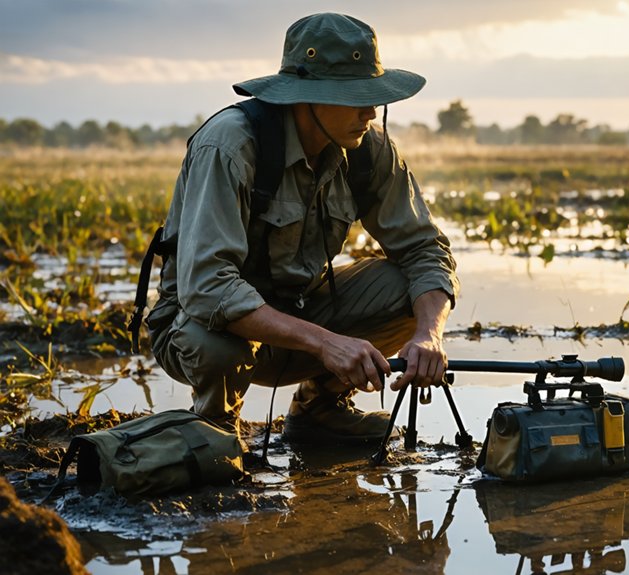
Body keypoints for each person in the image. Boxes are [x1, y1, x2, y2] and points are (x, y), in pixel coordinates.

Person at [145, 13, 459, 443]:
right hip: (199, 328)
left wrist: (429, 335)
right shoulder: (231, 146)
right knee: (216, 342)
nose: (370, 111)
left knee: (409, 288)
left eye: (373, 96)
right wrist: (326, 343)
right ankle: (217, 430)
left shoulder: (368, 148)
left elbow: (425, 249)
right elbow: (208, 289)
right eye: (355, 97)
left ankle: (319, 411)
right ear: (306, 97)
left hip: (301, 311)